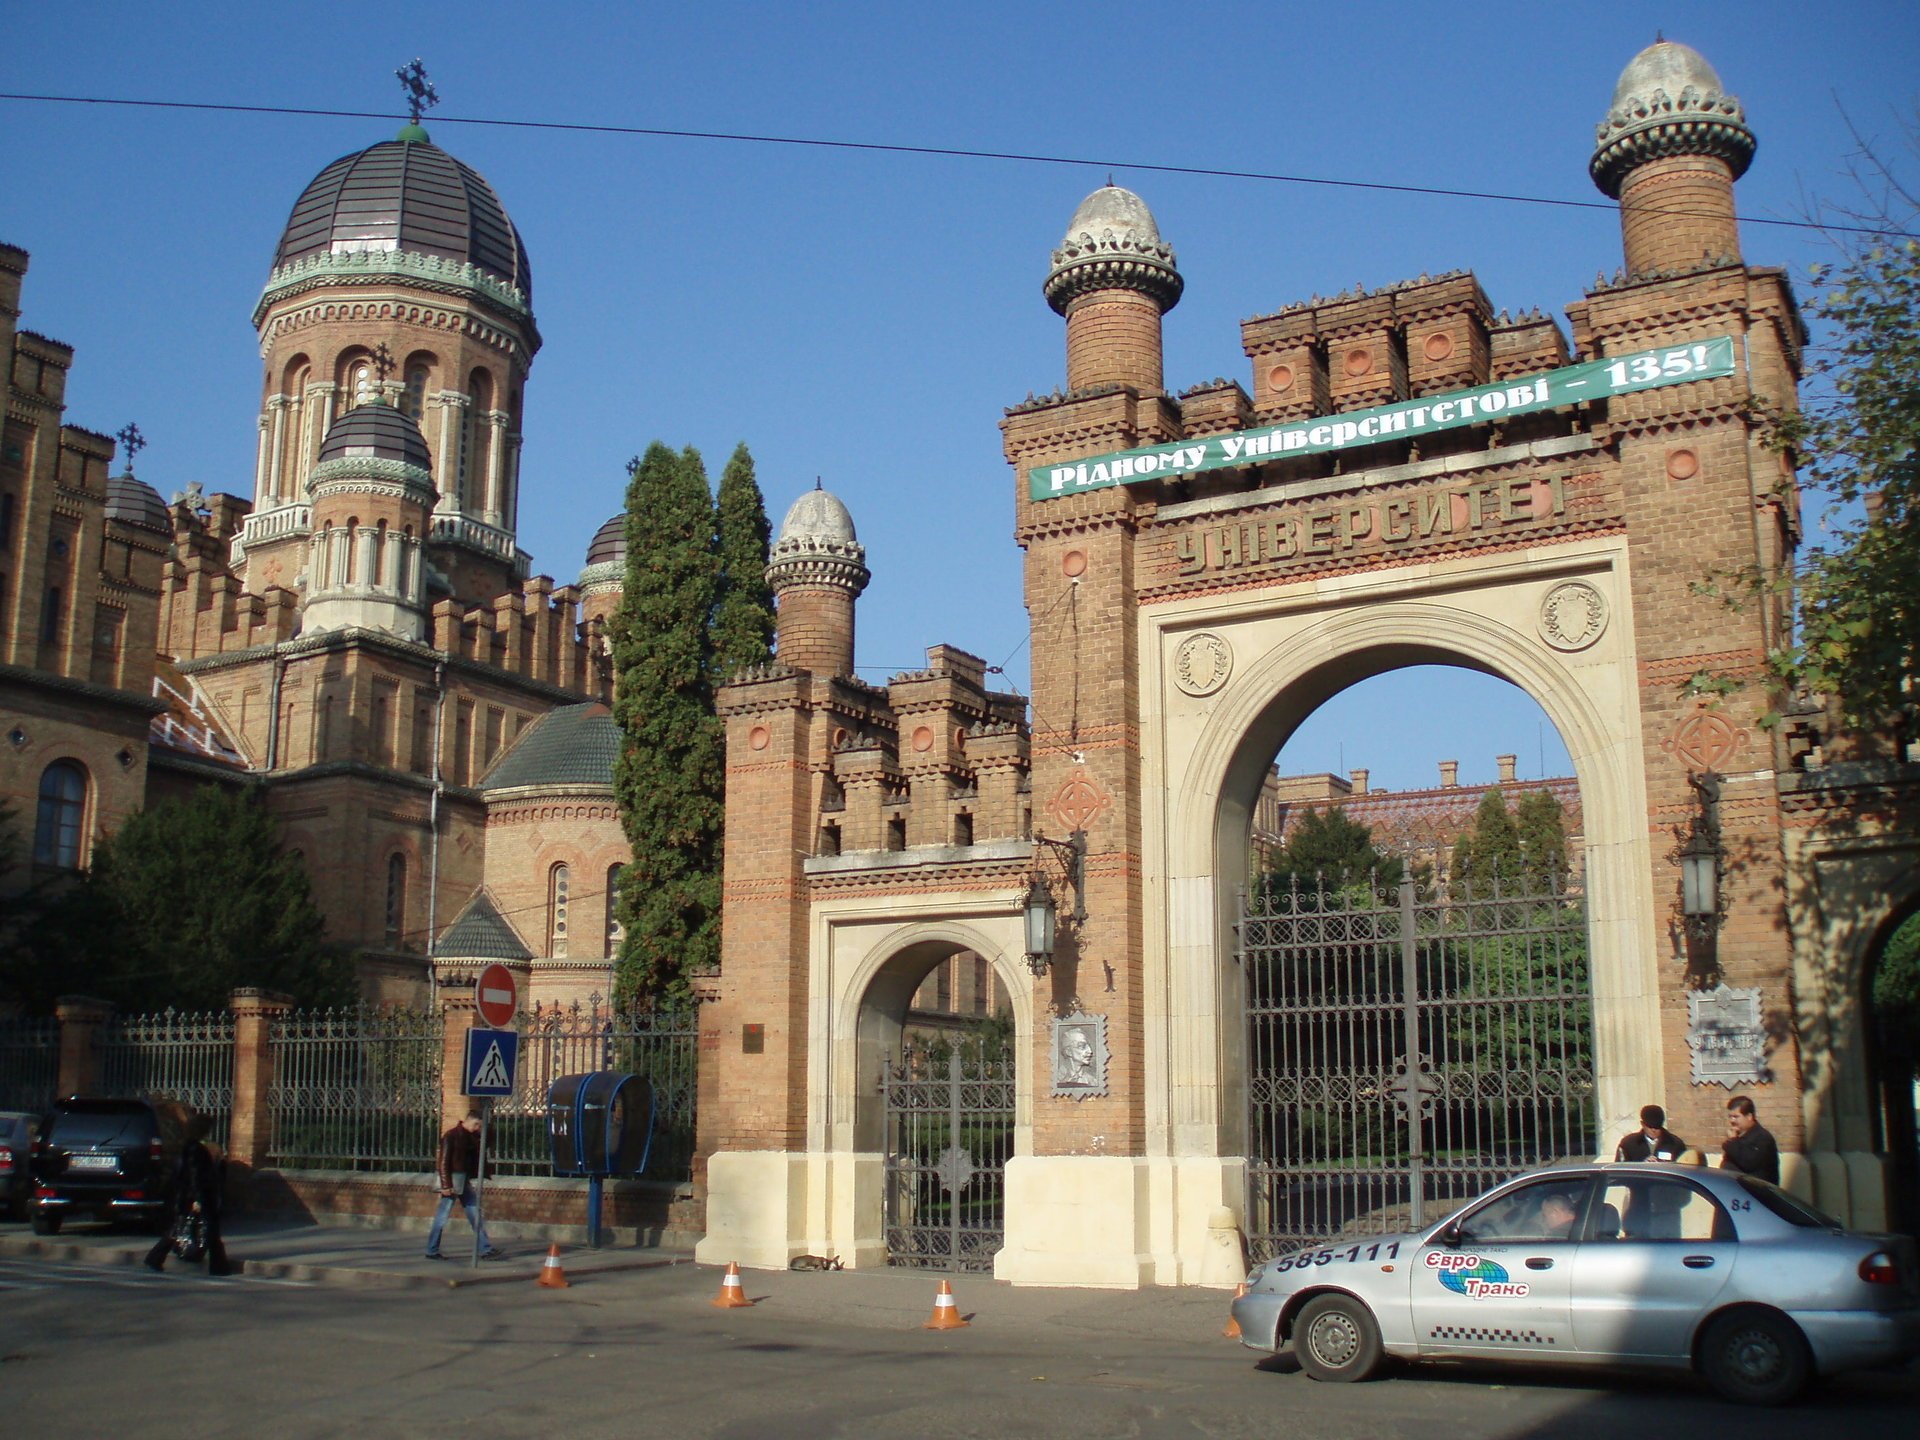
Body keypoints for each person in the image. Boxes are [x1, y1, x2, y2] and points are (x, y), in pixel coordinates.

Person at [144, 1114, 231, 1276]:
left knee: (180, 1228)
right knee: (209, 1230)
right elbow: (195, 1175)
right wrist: (198, 1199)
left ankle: (155, 1257)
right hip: (198, 1196)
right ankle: (219, 1267)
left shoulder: (189, 1147)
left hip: (188, 1196)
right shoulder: (196, 1150)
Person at [426, 1109, 504, 1261]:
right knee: (442, 1217)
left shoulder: (473, 1137)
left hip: (464, 1181)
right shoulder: (451, 1136)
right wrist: (446, 1185)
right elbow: (443, 1162)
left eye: (479, 1126)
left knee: (475, 1215)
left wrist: (487, 1128)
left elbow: (488, 1143)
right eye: (476, 1125)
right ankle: (431, 1250)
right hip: (452, 1181)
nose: (477, 1128)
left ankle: (485, 1249)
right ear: (469, 1120)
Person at [1718, 1094, 1780, 1184]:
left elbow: (1748, 1163)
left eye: (1736, 1117)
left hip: (1754, 1193)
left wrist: (1733, 1141)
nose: (1732, 1121)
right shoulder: (1737, 1137)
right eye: (1730, 1117)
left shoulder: (1762, 1138)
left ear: (1749, 1116)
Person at [1614, 1104, 1687, 1162]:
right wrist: (1643, 1167)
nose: (1653, 1130)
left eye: (1657, 1126)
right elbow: (1621, 1169)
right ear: (1642, 1124)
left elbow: (1683, 1169)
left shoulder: (1675, 1144)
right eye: (1650, 1126)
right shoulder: (1628, 1144)